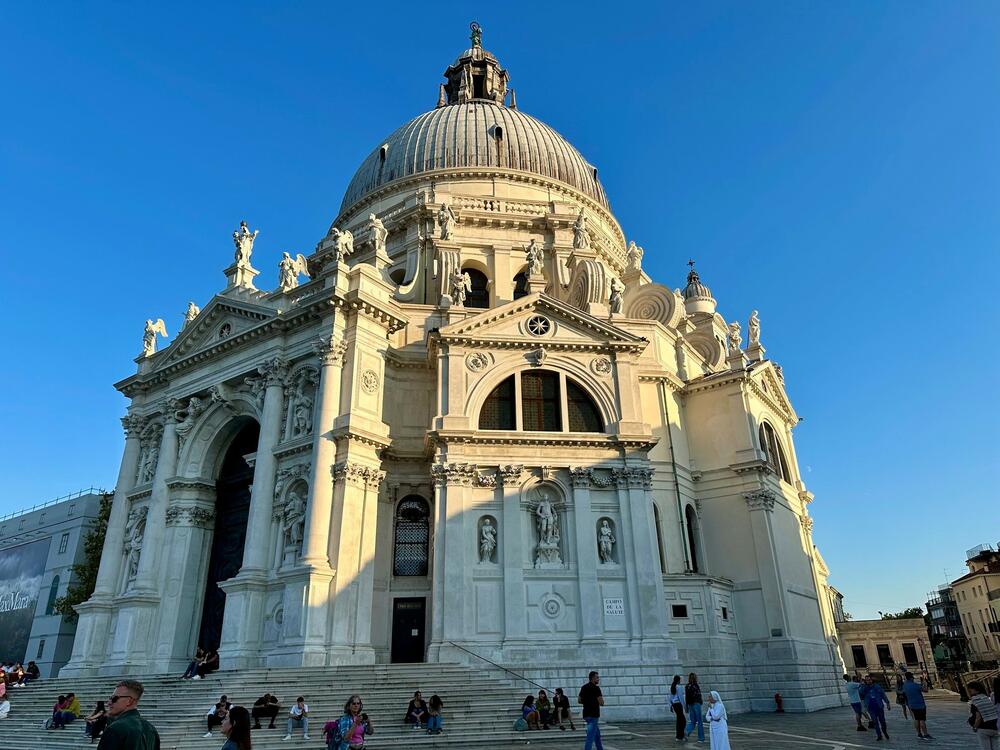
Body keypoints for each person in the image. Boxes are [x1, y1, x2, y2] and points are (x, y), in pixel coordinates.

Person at [97, 679, 160, 750]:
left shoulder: (115, 729)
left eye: (114, 698)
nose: (109, 703)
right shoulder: (151, 729)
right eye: (110, 698)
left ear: (129, 701)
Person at [901, 670, 932, 740]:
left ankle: (919, 734)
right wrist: (924, 682)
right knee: (922, 720)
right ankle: (926, 734)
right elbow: (926, 690)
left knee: (916, 719)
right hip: (920, 705)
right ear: (911, 678)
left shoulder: (905, 686)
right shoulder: (915, 685)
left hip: (911, 705)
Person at [969, 680, 999, 749]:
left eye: (970, 689)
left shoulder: (975, 701)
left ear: (975, 689)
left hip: (983, 728)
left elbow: (978, 717)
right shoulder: (987, 698)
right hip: (995, 727)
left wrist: (975, 727)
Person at [860, 675, 891, 741]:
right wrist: (863, 685)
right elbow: (860, 692)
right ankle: (879, 735)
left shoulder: (877, 686)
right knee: (875, 722)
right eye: (867, 680)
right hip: (870, 708)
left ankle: (884, 732)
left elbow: (883, 694)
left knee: (882, 721)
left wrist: (887, 703)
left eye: (869, 680)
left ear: (872, 680)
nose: (868, 681)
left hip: (879, 706)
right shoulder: (864, 688)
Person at [579, 670, 604, 750]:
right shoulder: (596, 688)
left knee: (597, 735)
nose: (598, 679)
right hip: (594, 714)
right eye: (597, 678)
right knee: (590, 737)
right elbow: (601, 702)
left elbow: (579, 700)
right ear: (592, 678)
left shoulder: (584, 687)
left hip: (586, 714)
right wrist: (601, 702)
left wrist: (587, 701)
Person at [684, 673, 704, 742]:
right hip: (696, 704)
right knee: (699, 721)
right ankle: (701, 738)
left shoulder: (687, 686)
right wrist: (701, 701)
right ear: (695, 678)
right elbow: (698, 695)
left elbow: (686, 697)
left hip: (690, 705)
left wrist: (686, 706)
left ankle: (687, 731)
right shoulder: (695, 685)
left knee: (693, 721)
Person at [669, 675, 686, 741]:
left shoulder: (671, 687)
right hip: (678, 704)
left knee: (679, 720)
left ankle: (679, 736)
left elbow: (669, 697)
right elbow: (681, 697)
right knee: (682, 721)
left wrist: (670, 705)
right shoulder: (678, 687)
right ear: (678, 680)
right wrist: (684, 706)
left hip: (674, 705)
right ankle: (680, 736)